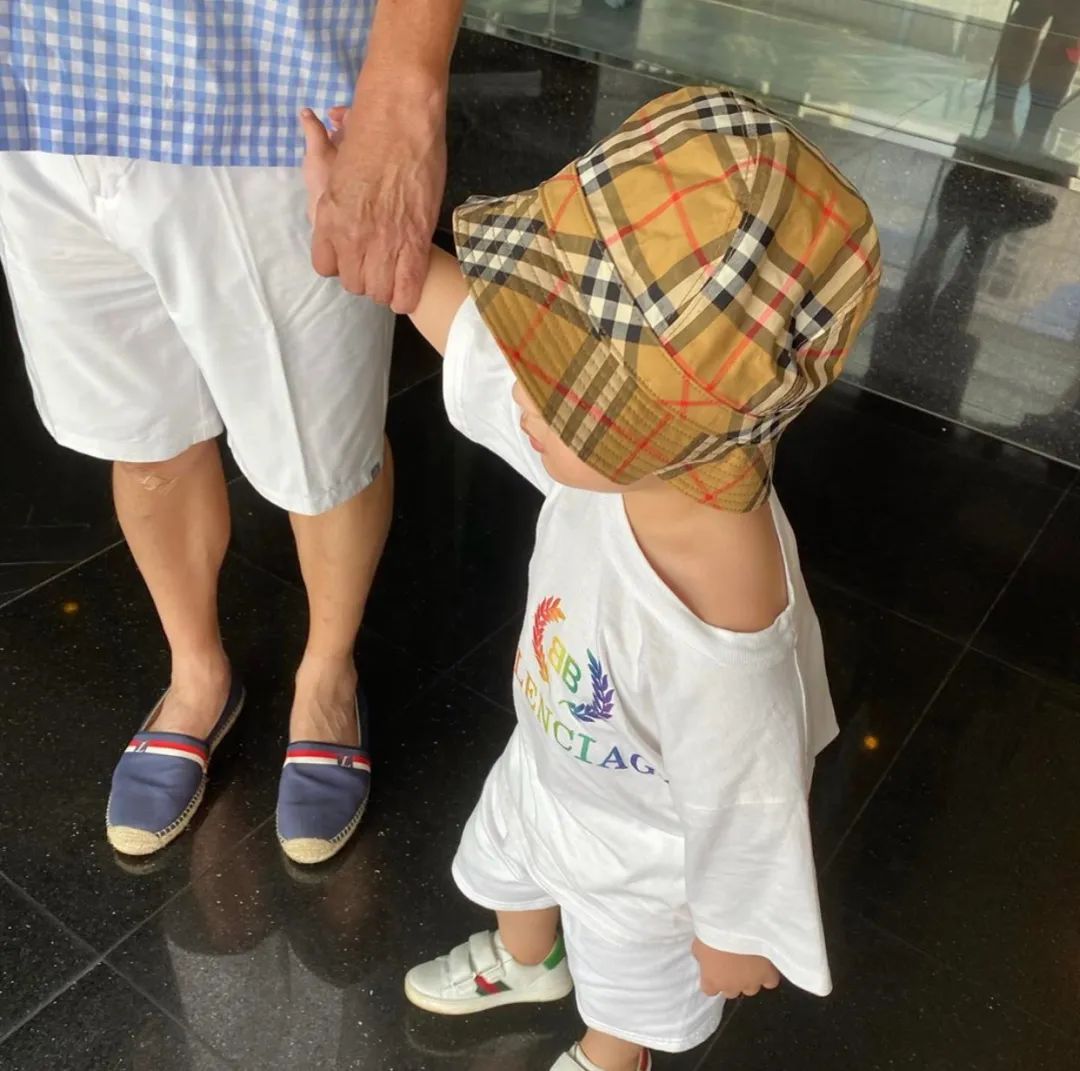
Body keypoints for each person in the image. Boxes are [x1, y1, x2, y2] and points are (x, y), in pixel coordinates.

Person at [303, 85, 881, 1070]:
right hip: (548, 767)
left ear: (653, 433)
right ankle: (528, 963)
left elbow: (750, 801)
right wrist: (382, 251)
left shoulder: (722, 627)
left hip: (645, 858)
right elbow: (476, 336)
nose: (521, 391)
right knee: (509, 868)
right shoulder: (635, 462)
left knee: (629, 986)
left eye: (555, 383)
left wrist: (737, 928)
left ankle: (611, 1054)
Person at [0, 1, 462, 863]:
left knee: (322, 452)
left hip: (257, 89)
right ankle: (196, 671)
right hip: (33, 101)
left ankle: (327, 676)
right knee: (143, 437)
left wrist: (406, 93)